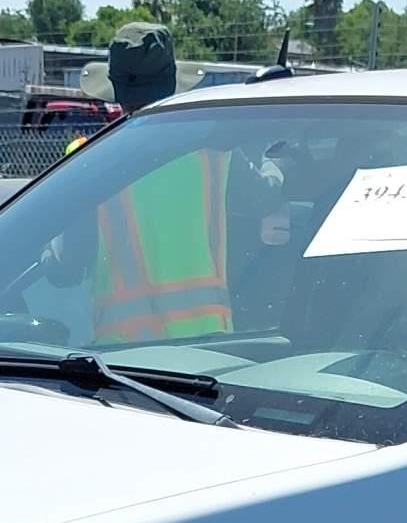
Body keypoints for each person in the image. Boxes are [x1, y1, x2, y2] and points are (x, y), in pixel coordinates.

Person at [73, 23, 285, 345]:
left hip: (116, 358)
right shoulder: (212, 155)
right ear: (172, 82)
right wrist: (272, 161)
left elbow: (66, 265)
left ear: (115, 88)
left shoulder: (88, 162)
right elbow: (264, 198)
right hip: (203, 354)